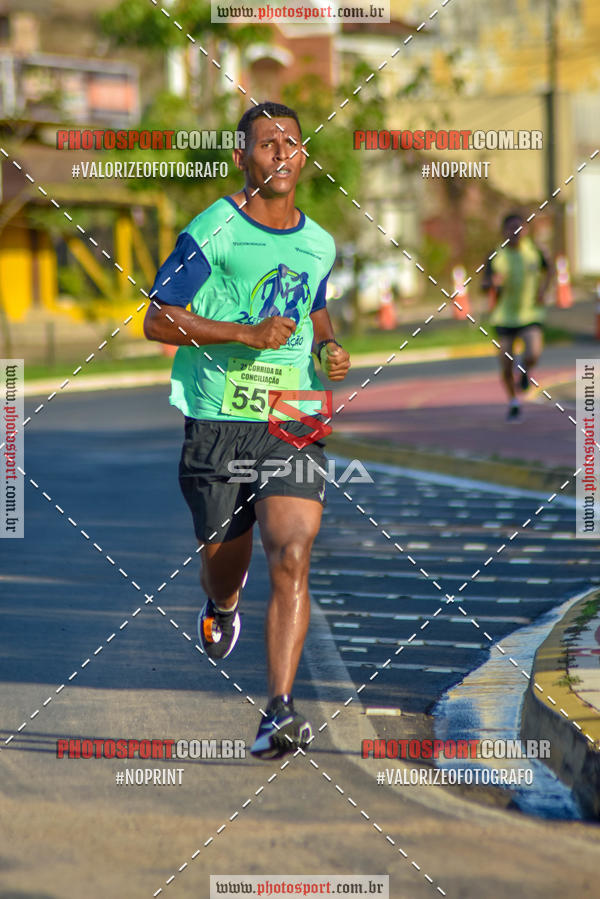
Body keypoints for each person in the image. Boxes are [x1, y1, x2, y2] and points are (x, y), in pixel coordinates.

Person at [143, 101, 351, 759]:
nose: (282, 153)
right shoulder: (216, 231)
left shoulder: (320, 242)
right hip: (218, 420)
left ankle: (279, 710)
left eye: (291, 142)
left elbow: (313, 301)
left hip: (293, 414)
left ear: (304, 158)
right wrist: (244, 334)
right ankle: (222, 605)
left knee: (293, 548)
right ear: (243, 158)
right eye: (268, 144)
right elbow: (157, 319)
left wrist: (329, 346)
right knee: (224, 567)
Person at [483, 211, 551, 421]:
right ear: (503, 231)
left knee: (534, 352)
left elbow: (550, 270)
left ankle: (524, 372)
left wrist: (543, 290)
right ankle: (513, 401)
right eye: (511, 228)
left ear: (526, 230)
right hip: (504, 317)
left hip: (529, 313)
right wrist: (492, 284)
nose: (515, 232)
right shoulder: (496, 256)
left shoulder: (535, 251)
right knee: (505, 363)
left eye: (519, 228)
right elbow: (483, 285)